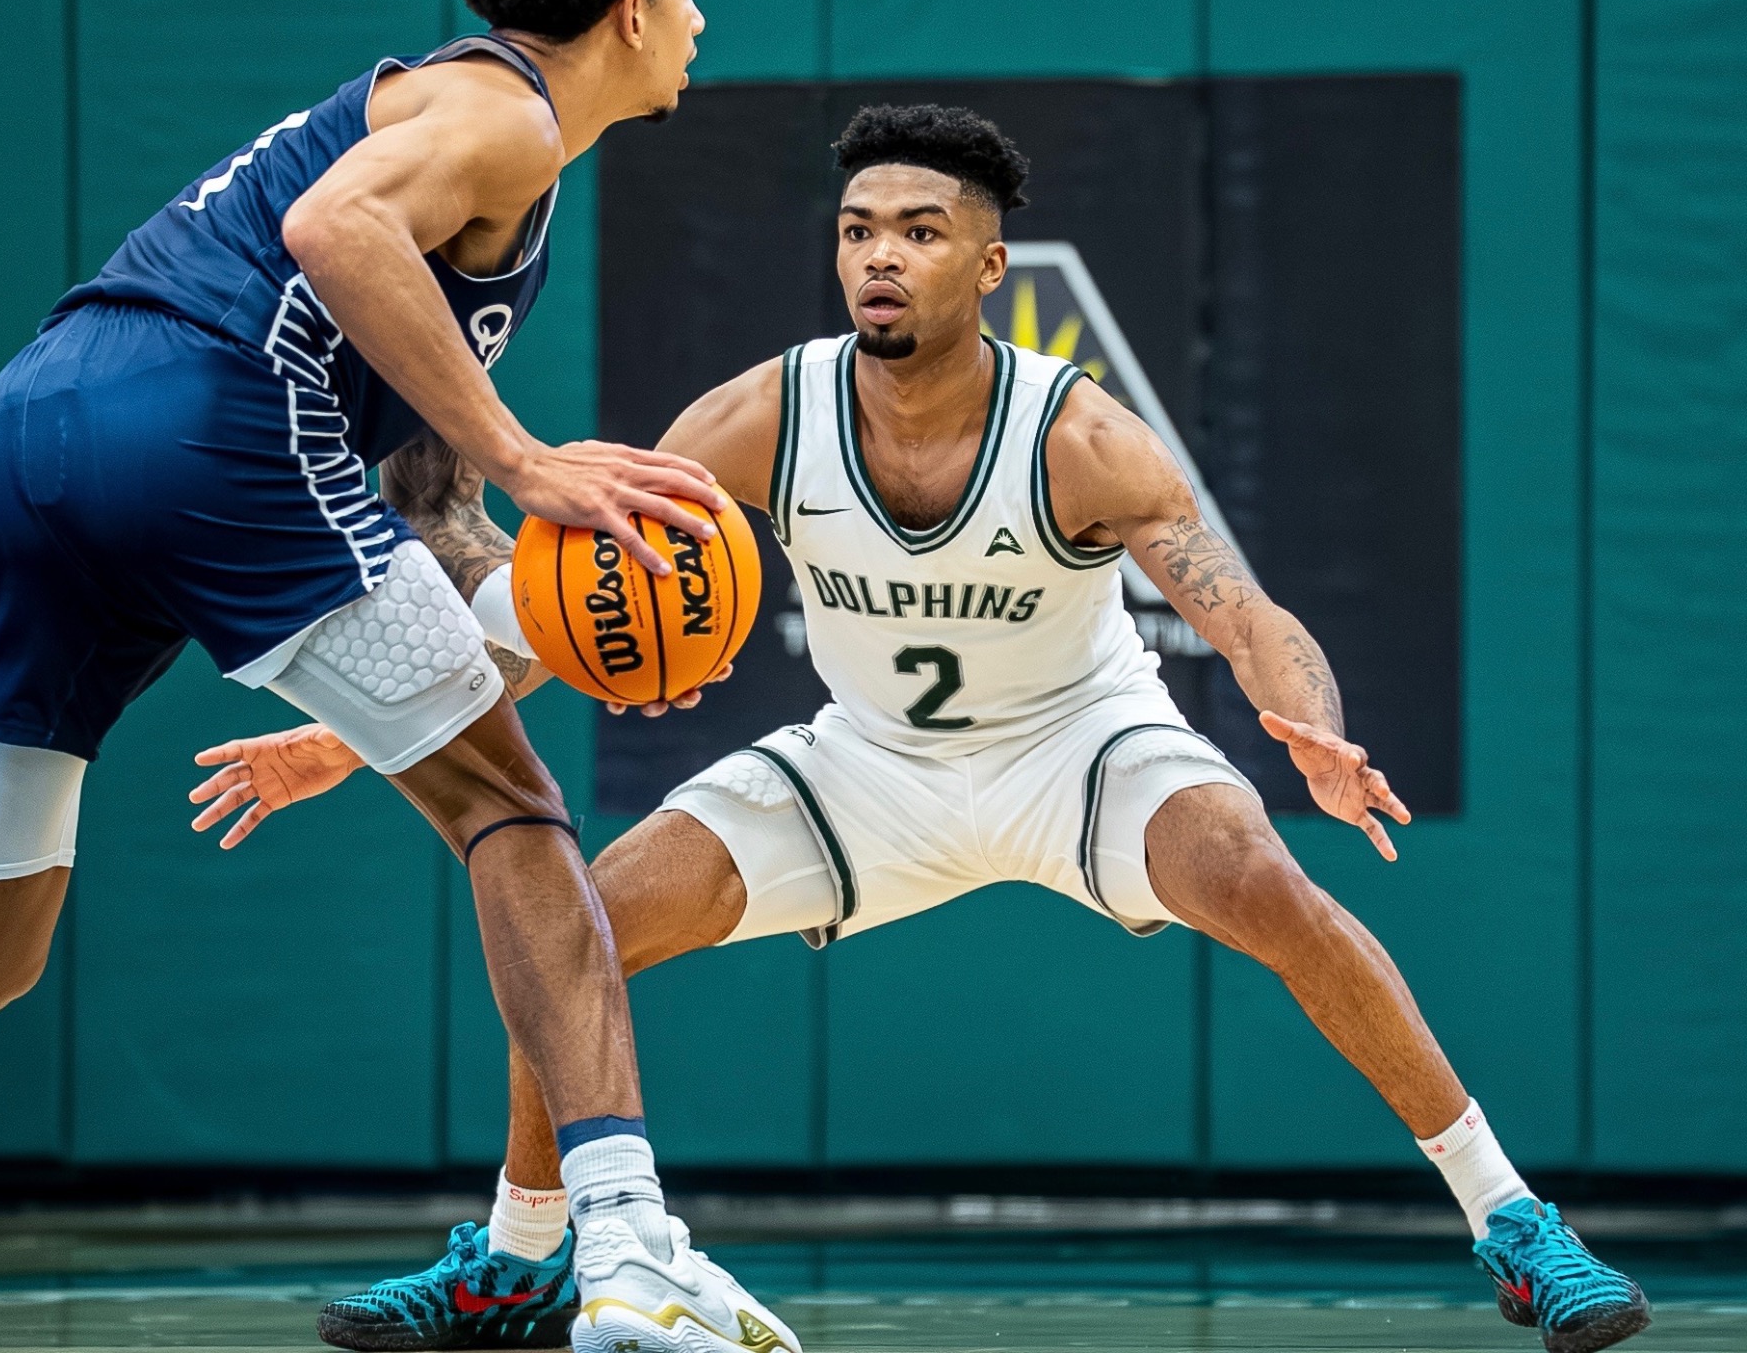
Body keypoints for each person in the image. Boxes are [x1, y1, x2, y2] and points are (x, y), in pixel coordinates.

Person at [199, 103, 1654, 1353]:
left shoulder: (1079, 434)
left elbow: (1252, 614)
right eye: (856, 229)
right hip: (867, 763)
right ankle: (521, 1260)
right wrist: (342, 742)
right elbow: (563, 605)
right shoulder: (765, 413)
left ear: (988, 263)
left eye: (917, 230)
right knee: (572, 917)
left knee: (1269, 883)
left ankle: (1515, 1221)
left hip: (1077, 748)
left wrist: (1309, 727)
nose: (879, 254)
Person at [0, 0, 794, 1353]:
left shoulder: (472, 146)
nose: (703, 17)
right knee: (513, 822)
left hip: (35, 426)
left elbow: (414, 493)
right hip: (206, 421)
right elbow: (333, 230)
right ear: (629, 7)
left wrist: (587, 616)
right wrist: (535, 460)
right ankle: (631, 1260)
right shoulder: (503, 114)